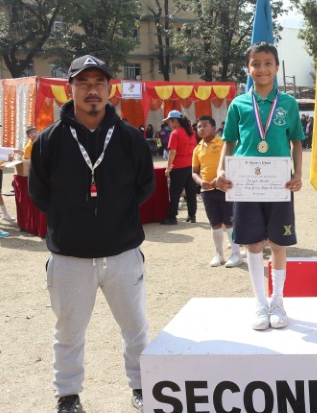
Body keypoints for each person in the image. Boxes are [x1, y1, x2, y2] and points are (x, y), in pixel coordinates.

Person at [28, 54, 155, 412]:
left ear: (110, 88)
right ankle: (68, 395)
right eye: (83, 83)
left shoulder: (129, 138)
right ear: (69, 89)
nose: (92, 90)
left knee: (136, 328)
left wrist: (115, 216)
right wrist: (72, 221)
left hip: (122, 254)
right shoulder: (49, 140)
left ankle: (142, 386)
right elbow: (39, 193)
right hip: (69, 257)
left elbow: (144, 186)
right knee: (68, 332)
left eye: (99, 82)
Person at [216, 42, 304, 330]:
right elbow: (229, 142)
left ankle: (278, 301)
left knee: (278, 243)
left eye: (268, 63)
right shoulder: (238, 104)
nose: (262, 69)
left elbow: (296, 142)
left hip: (279, 181)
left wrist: (298, 173)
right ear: (248, 68)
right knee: (252, 242)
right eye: (255, 64)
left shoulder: (288, 104)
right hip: (246, 182)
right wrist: (220, 169)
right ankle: (260, 303)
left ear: (277, 67)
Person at [192, 115, 246, 268]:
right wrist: (200, 182)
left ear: (214, 128)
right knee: (215, 223)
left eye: (205, 125)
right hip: (207, 191)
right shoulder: (197, 149)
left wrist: (220, 178)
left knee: (229, 222)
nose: (201, 129)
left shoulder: (224, 143)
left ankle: (236, 254)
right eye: (199, 126)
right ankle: (219, 255)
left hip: (225, 188)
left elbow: (234, 163)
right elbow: (194, 172)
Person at [161, 109, 198, 225]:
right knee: (191, 191)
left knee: (175, 192)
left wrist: (168, 167)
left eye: (169, 121)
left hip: (178, 166)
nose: (168, 124)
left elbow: (172, 152)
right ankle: (192, 215)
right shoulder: (191, 132)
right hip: (190, 165)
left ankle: (172, 217)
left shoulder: (175, 133)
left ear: (175, 120)